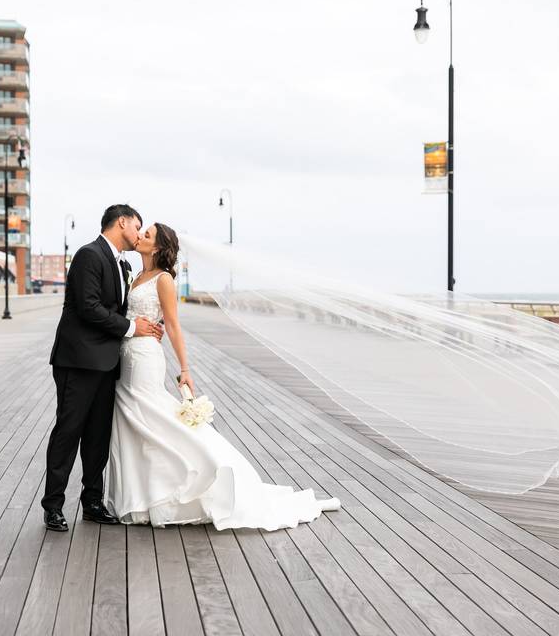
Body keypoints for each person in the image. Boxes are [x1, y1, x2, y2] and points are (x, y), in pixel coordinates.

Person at [104, 222, 341, 530]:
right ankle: (141, 499)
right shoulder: (136, 276)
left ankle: (203, 470)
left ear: (159, 248)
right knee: (135, 424)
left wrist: (185, 369)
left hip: (146, 358)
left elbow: (173, 326)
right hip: (127, 357)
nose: (140, 237)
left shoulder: (163, 280)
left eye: (147, 235)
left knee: (152, 419)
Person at [42, 204, 163, 532]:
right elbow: (89, 308)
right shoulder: (89, 255)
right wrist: (130, 327)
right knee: (69, 432)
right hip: (78, 361)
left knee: (98, 436)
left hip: (108, 363)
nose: (139, 233)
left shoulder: (122, 263)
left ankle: (92, 501)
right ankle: (52, 505)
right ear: (121, 222)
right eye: (137, 226)